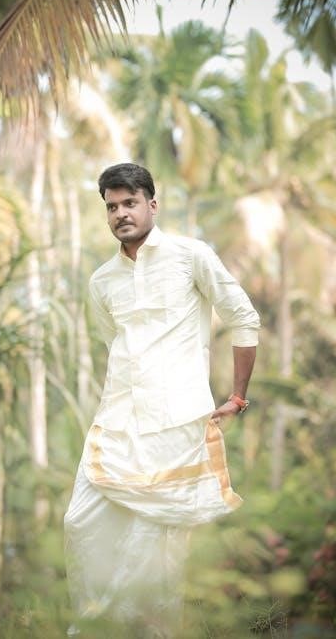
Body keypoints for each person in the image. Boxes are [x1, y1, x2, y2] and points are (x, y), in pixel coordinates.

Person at [64, 163, 260, 638]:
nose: (120, 214)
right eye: (112, 207)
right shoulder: (102, 280)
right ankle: (94, 627)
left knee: (154, 547)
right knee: (79, 523)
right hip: (115, 422)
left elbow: (243, 318)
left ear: (152, 204)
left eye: (129, 203)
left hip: (177, 423)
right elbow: (113, 344)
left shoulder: (191, 256)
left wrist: (237, 396)